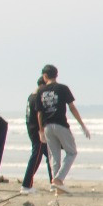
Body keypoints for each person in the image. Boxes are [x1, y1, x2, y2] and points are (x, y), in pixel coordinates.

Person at [36, 64, 90, 193]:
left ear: (45, 76)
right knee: (71, 152)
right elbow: (72, 107)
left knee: (54, 157)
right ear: (56, 75)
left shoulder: (41, 91)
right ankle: (58, 179)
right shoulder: (63, 88)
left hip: (47, 126)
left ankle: (57, 187)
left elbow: (39, 113)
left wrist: (41, 130)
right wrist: (82, 124)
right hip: (60, 124)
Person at [22, 78, 49, 193]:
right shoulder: (37, 96)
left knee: (50, 155)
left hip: (32, 128)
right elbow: (39, 115)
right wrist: (42, 131)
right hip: (36, 130)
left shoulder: (31, 96)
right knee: (36, 155)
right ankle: (26, 185)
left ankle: (54, 182)